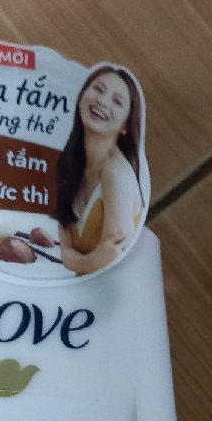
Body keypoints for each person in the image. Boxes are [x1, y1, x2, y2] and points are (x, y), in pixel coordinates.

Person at [55, 65, 144, 275]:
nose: (102, 101)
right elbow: (65, 252)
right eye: (98, 89)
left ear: (126, 126)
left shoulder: (117, 174)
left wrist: (77, 261)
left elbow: (111, 260)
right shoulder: (70, 164)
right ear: (81, 96)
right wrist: (87, 261)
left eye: (117, 101)